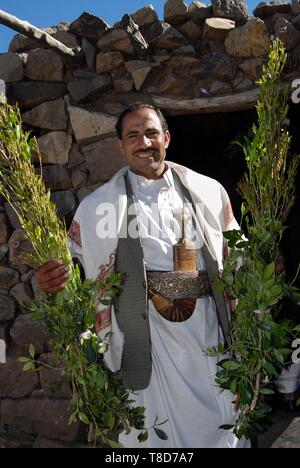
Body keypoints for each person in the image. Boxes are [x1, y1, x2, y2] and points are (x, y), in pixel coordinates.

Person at [36, 104, 250, 448]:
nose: (144, 142)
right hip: (146, 338)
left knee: (221, 422)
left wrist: (259, 261)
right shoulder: (97, 207)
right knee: (152, 431)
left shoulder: (207, 191)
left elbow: (236, 253)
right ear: (120, 146)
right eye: (133, 135)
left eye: (151, 133)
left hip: (208, 333)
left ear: (166, 138)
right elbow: (75, 273)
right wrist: (51, 283)